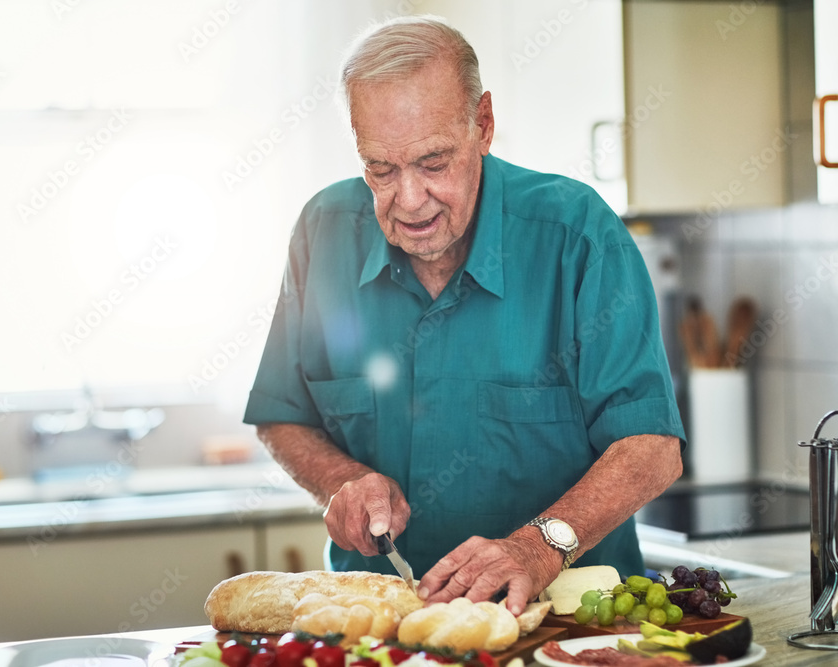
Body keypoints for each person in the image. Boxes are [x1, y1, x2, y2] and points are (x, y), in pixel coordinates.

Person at [242, 15, 685, 616]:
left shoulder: (577, 233)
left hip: (574, 628)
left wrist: (537, 547)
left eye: (432, 163)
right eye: (380, 168)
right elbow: (283, 415)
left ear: (483, 124)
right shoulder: (323, 232)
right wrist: (340, 478)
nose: (409, 199)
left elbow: (650, 447)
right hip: (381, 626)